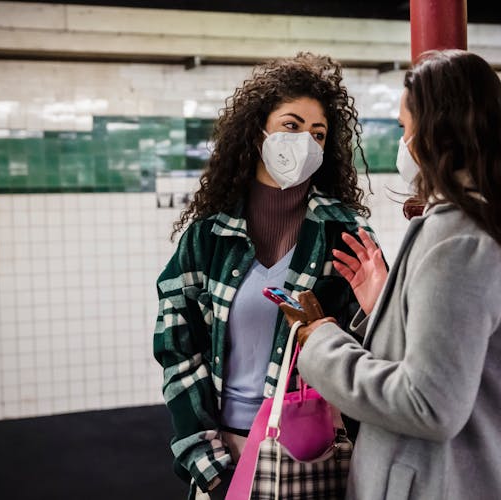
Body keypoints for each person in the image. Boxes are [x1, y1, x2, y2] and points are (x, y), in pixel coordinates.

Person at [280, 50, 501, 500]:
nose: (403, 145)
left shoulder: (462, 239)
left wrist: (323, 343)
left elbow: (427, 404)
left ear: (437, 130)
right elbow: (472, 363)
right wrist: (387, 305)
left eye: (406, 129)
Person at [152, 53, 379, 499]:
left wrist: (378, 307)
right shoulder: (206, 239)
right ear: (256, 132)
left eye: (319, 134)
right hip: (225, 452)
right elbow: (177, 350)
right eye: (291, 126)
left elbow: (374, 347)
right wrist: (206, 462)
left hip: (311, 452)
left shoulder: (345, 233)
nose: (306, 143)